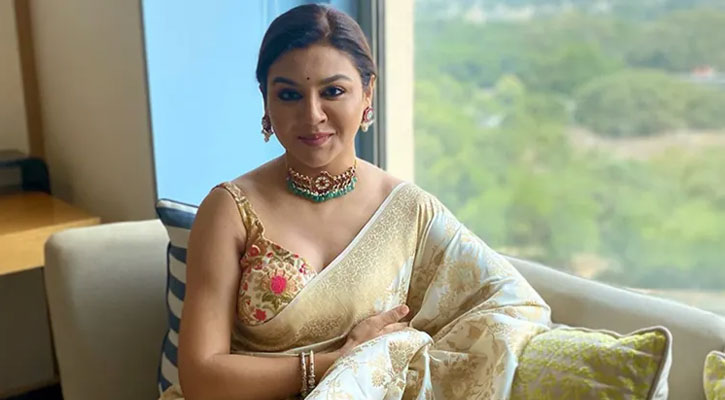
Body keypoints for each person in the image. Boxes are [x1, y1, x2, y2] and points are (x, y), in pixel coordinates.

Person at [160, 4, 551, 400]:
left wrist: (395, 356)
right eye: (289, 95)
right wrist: (342, 362)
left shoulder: (408, 210)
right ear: (266, 102)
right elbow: (201, 378)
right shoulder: (231, 210)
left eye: (333, 91)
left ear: (367, 93)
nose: (312, 115)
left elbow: (510, 305)